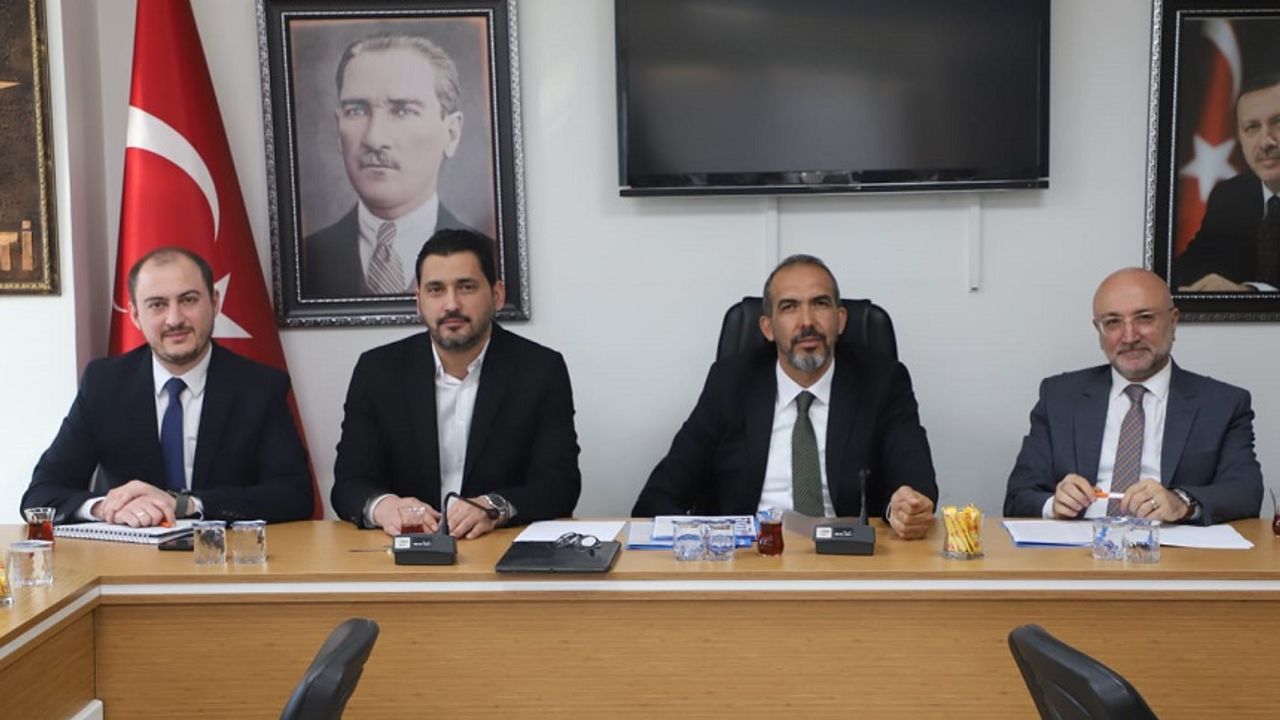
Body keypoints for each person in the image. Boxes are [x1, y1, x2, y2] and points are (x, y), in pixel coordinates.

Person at [631, 255, 938, 540]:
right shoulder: (731, 383)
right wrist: (702, 545)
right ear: (768, 328)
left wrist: (904, 509)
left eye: (820, 304)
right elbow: (658, 497)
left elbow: (915, 485)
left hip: (849, 557)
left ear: (841, 320)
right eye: (790, 307)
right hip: (750, 557)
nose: (807, 322)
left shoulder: (881, 382)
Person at [22, 248, 314, 526]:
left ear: (215, 303)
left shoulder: (260, 386)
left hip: (224, 554)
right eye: (157, 305)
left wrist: (186, 504)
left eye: (188, 300)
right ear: (135, 315)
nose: (174, 319)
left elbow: (295, 496)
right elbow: (41, 494)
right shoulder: (104, 384)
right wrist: (105, 508)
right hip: (128, 557)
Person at [330, 228, 580, 538]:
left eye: (466, 287)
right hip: (404, 551)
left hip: (498, 546)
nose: (451, 304)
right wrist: (385, 507)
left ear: (497, 295)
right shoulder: (378, 371)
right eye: (436, 290)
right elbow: (349, 484)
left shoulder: (540, 370)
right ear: (418, 301)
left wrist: (494, 507)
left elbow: (560, 485)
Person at [1004, 268, 1262, 524]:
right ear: (1099, 331)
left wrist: (1182, 503)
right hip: (1080, 544)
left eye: (1144, 318)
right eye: (1113, 322)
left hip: (1171, 544)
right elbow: (1018, 497)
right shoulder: (1059, 397)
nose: (1129, 336)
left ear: (1173, 321)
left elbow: (1246, 493)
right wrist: (1053, 505)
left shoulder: (1222, 404)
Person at [303, 33, 482, 298]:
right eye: (357, 111)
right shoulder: (306, 260)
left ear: (451, 133)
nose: (374, 139)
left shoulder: (489, 256)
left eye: (404, 111)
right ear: (338, 129)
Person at [1176, 73, 1280, 292]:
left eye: (1278, 122)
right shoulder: (1230, 197)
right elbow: (1189, 269)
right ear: (1239, 137)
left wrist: (1251, 295)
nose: (1266, 142)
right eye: (1252, 127)